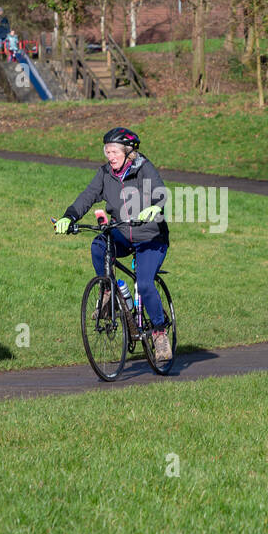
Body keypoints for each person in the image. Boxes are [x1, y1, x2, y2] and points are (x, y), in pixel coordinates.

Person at [55, 127, 173, 363]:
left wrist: (155, 207)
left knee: (145, 282)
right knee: (99, 244)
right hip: (122, 234)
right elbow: (87, 196)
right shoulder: (105, 173)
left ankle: (159, 333)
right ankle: (109, 289)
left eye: (114, 151)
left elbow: (160, 191)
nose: (109, 156)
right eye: (107, 151)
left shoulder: (143, 168)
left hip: (151, 237)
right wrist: (69, 216)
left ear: (128, 152)